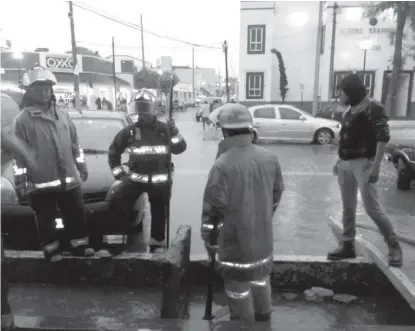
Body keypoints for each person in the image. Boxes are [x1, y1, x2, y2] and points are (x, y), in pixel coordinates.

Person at [201, 103, 284, 322]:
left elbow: (212, 210)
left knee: (238, 292)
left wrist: (209, 241)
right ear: (249, 128)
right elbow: (276, 194)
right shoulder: (269, 157)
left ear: (224, 131)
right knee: (261, 282)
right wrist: (263, 216)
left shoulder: (222, 165)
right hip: (262, 242)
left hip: (235, 246)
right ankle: (264, 319)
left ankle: (243, 325)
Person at [13, 65, 94, 262]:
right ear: (29, 92)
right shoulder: (23, 121)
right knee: (46, 220)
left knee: (76, 214)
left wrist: (81, 165)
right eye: (39, 89)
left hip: (69, 181)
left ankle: (80, 246)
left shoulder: (63, 115)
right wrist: (21, 183)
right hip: (42, 184)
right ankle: (51, 251)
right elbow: (19, 156)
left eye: (47, 88)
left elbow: (75, 144)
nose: (44, 92)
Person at [328, 73, 403, 267]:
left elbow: (383, 138)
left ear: (350, 92)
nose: (340, 97)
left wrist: (376, 166)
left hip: (364, 163)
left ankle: (394, 246)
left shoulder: (373, 107)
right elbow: (347, 137)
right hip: (346, 163)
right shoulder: (350, 110)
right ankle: (347, 245)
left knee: (372, 209)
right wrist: (339, 160)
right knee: (348, 207)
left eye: (342, 92)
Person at [108, 90, 187, 251]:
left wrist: (175, 131)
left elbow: (180, 148)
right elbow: (114, 151)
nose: (142, 116)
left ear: (153, 111)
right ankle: (116, 244)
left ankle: (157, 245)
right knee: (118, 203)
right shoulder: (129, 131)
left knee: (159, 215)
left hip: (160, 183)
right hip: (135, 181)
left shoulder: (166, 129)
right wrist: (120, 175)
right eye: (140, 112)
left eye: (145, 112)